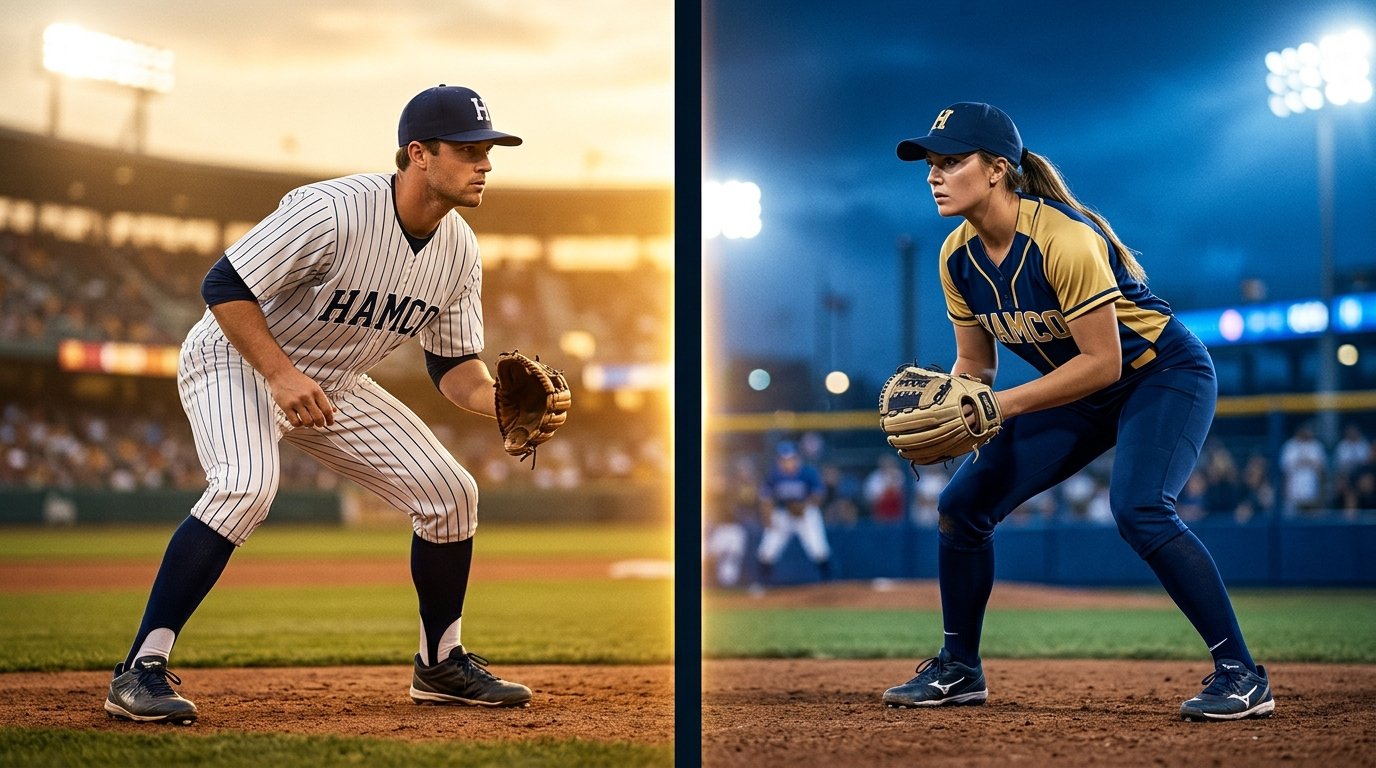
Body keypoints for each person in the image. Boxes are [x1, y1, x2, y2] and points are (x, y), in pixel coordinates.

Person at [104, 85, 544, 725]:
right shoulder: (332, 210)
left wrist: (500, 400)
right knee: (245, 488)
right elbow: (222, 284)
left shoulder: (459, 250)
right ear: (418, 154)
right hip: (238, 359)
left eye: (488, 151)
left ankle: (440, 664)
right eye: (470, 149)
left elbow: (452, 367)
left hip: (336, 382)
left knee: (452, 493)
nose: (486, 164)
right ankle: (139, 669)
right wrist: (279, 374)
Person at [879, 102, 1273, 721]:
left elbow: (1103, 362)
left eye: (952, 161)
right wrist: (955, 407)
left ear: (997, 171)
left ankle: (1242, 674)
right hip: (1080, 391)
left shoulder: (1062, 238)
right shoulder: (956, 256)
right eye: (931, 163)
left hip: (1160, 373)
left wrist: (998, 406)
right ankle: (960, 668)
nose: (934, 175)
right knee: (962, 505)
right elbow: (975, 367)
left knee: (1140, 508)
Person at [752, 441, 832, 590]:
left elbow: (818, 495)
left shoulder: (808, 472)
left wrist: (804, 506)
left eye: (790, 459)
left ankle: (828, 584)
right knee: (768, 547)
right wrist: (767, 516)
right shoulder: (774, 474)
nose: (787, 462)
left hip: (806, 513)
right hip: (782, 513)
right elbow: (765, 498)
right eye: (784, 459)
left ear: (797, 458)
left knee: (817, 546)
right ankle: (761, 585)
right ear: (779, 460)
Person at [1279, 422, 1328, 516]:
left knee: (1312, 519)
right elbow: (1285, 471)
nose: (1305, 432)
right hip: (1293, 491)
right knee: (1292, 519)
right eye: (1302, 430)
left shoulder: (1316, 446)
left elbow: (1321, 468)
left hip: (1312, 490)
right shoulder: (1289, 446)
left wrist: (1322, 495)